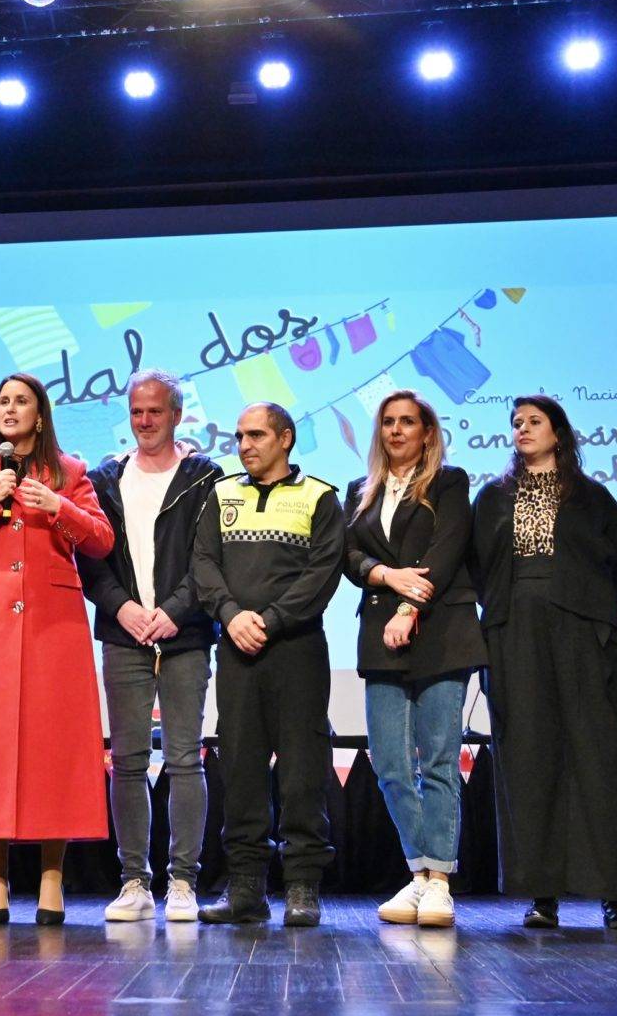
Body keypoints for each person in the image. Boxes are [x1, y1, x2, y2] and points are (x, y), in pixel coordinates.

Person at [0, 373, 113, 924]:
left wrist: (59, 506)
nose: (10, 410)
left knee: (52, 746)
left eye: (21, 402)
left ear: (40, 416)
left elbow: (101, 540)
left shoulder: (71, 472)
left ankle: (51, 879)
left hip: (53, 624)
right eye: (3, 402)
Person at [474, 395, 617, 930]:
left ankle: (614, 895)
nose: (523, 429)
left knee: (599, 756)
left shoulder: (592, 496)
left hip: (583, 631)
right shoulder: (493, 497)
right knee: (529, 755)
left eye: (534, 421)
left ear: (558, 432)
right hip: (515, 633)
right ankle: (541, 894)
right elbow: (478, 568)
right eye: (516, 423)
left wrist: (583, 607)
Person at [192, 402, 344, 929]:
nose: (244, 446)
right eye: (239, 436)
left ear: (285, 438)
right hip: (236, 651)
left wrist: (272, 621)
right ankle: (246, 890)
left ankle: (302, 887)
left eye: (256, 435)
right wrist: (230, 615)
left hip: (297, 651)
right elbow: (203, 564)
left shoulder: (319, 496)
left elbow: (323, 573)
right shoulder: (221, 495)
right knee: (240, 770)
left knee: (302, 772)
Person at [81, 370, 220, 923]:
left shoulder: (204, 478)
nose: (144, 421)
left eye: (155, 411)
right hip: (125, 634)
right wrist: (124, 608)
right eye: (137, 411)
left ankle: (182, 882)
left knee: (185, 757)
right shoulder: (104, 479)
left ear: (176, 415)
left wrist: (174, 611)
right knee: (128, 761)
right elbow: (91, 558)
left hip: (184, 634)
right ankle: (134, 881)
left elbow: (210, 558)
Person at [344, 390, 482, 929]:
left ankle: (439, 880)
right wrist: (385, 575)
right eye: (388, 422)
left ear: (427, 432)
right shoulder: (361, 491)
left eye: (407, 422)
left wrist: (408, 607)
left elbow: (445, 552)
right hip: (381, 636)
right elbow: (349, 556)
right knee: (391, 765)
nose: (396, 430)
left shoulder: (450, 482)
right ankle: (419, 872)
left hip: (441, 631)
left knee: (439, 761)